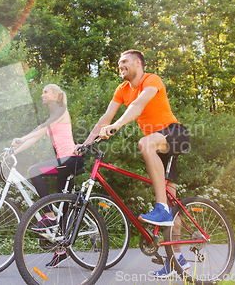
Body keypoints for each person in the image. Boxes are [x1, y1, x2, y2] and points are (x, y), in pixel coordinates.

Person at [75, 49, 190, 278]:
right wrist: (85, 143)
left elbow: (137, 106)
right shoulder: (122, 89)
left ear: (138, 63)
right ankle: (178, 261)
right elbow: (104, 118)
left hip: (173, 134)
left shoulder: (151, 80)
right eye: (119, 63)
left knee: (145, 144)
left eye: (124, 61)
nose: (120, 65)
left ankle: (161, 209)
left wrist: (116, 126)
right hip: (158, 147)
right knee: (171, 207)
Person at [12, 84, 83, 268]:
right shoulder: (52, 117)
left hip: (70, 160)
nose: (42, 94)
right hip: (64, 163)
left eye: (45, 92)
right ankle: (61, 250)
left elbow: (41, 130)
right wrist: (14, 151)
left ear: (55, 95)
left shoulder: (61, 111)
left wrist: (20, 138)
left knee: (34, 171)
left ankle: (49, 215)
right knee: (64, 205)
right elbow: (36, 137)